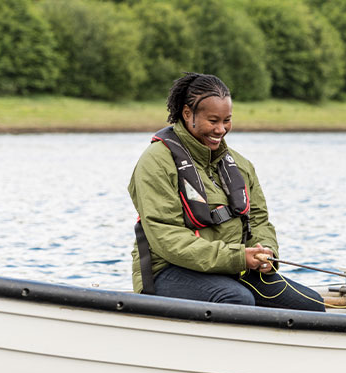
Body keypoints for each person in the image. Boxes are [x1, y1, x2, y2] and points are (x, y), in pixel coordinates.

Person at [128, 72, 324, 311]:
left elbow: (259, 221)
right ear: (188, 114)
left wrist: (266, 251)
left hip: (231, 270)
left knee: (311, 303)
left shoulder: (241, 165)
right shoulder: (156, 162)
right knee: (237, 299)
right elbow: (167, 238)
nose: (221, 129)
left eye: (227, 120)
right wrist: (238, 257)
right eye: (213, 121)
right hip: (167, 272)